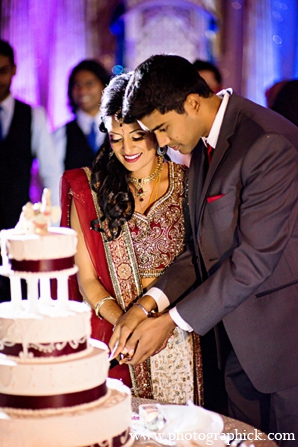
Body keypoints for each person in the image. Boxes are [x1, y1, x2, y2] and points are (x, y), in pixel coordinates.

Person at [109, 54, 298, 445]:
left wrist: (170, 322)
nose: (160, 143)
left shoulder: (267, 142)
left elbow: (253, 261)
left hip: (282, 348)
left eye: (161, 128)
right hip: (233, 344)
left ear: (192, 102)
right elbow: (200, 250)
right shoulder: (202, 141)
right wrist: (146, 306)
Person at [59, 72, 203, 405]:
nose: (127, 149)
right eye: (115, 137)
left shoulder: (190, 184)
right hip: (118, 339)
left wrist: (159, 323)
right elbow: (87, 281)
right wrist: (128, 325)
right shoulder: (91, 191)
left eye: (137, 135)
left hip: (182, 332)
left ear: (155, 129)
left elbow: (200, 262)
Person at [0, 39, 63, 302]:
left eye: (2, 71)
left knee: (18, 296)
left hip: (18, 223)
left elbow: (50, 171)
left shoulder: (33, 116)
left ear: (14, 70)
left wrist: (55, 223)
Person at [53, 59, 111, 170]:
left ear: (104, 86)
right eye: (77, 85)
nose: (83, 91)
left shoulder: (120, 129)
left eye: (89, 84)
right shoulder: (60, 134)